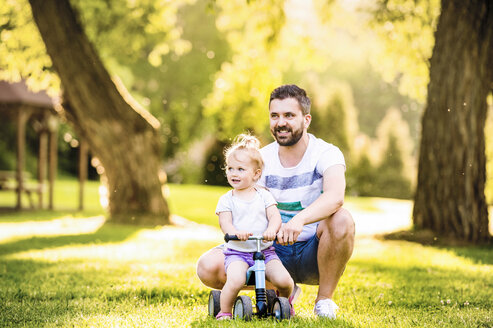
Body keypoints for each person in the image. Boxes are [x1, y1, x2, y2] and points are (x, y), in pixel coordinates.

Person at [197, 84, 355, 319]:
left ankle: (324, 301)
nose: (281, 122)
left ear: (306, 119)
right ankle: (281, 288)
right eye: (275, 116)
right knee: (206, 267)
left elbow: (335, 197)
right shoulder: (261, 160)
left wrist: (299, 220)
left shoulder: (326, 153)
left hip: (314, 251)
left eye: (289, 115)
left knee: (342, 220)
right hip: (269, 249)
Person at [214, 134, 294, 320]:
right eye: (230, 168)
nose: (233, 173)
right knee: (236, 280)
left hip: (265, 251)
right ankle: (224, 311)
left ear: (256, 174)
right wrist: (235, 233)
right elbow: (225, 223)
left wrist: (272, 229)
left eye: (240, 169)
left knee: (284, 281)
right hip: (237, 253)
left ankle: (283, 304)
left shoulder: (264, 195)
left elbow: (274, 216)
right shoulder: (227, 199)